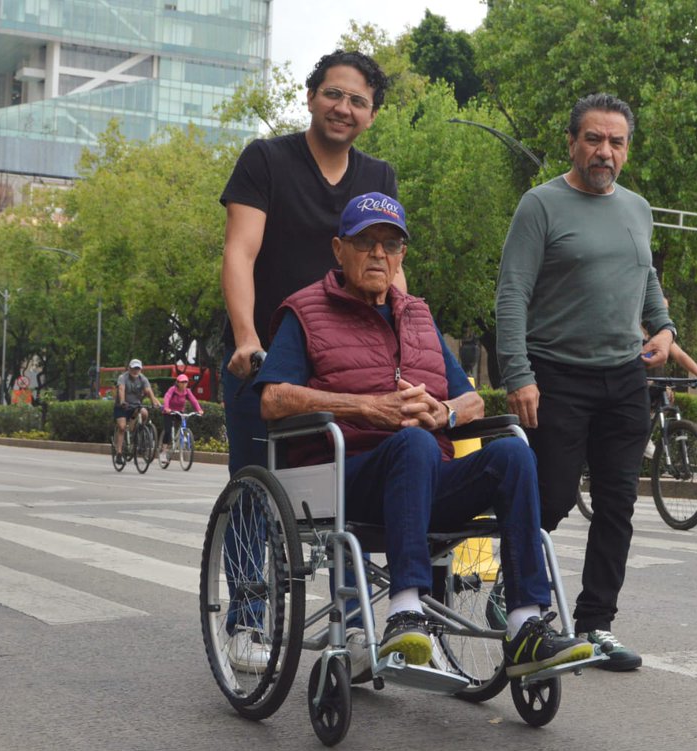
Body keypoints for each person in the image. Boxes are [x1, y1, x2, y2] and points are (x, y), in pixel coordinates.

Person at [254, 193, 594, 679]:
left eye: (389, 244)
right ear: (338, 249)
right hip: (347, 478)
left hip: (426, 480)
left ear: (401, 257)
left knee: (513, 454)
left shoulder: (417, 315)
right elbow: (273, 399)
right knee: (410, 443)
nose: (378, 254)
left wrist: (444, 414)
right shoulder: (305, 311)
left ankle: (525, 627)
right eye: (365, 242)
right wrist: (368, 408)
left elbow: (471, 400)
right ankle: (406, 608)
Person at [495, 93, 674, 672]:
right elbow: (512, 296)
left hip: (623, 377)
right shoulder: (540, 205)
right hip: (555, 375)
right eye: (594, 139)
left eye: (616, 142)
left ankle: (596, 625)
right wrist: (518, 374)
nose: (605, 151)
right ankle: (513, 593)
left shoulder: (638, 208)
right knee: (548, 498)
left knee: (618, 504)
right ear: (572, 141)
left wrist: (664, 327)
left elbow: (644, 274)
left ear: (627, 149)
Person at [220, 49, 402, 474]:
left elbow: (388, 266)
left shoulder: (379, 177)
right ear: (310, 97)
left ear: (372, 115)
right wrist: (247, 339)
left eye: (358, 101)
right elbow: (239, 252)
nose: (343, 108)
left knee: (346, 491)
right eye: (333, 94)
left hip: (345, 357)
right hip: (266, 356)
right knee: (254, 489)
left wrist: (405, 341)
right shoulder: (264, 159)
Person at [113, 359, 161, 462]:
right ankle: (119, 453)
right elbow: (121, 389)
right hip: (122, 406)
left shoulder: (143, 379)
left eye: (138, 369)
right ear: (129, 368)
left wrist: (153, 401)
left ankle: (139, 431)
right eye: (134, 368)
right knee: (121, 427)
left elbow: (148, 390)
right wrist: (122, 401)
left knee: (144, 412)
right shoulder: (123, 377)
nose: (135, 371)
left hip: (135, 406)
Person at [158, 372, 204, 465]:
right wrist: (166, 407)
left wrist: (199, 410)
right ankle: (163, 451)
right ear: (177, 382)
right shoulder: (172, 389)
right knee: (168, 431)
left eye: (185, 382)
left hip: (179, 411)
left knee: (184, 420)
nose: (184, 384)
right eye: (182, 382)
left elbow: (193, 400)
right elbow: (167, 397)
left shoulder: (187, 391)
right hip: (169, 411)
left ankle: (183, 434)